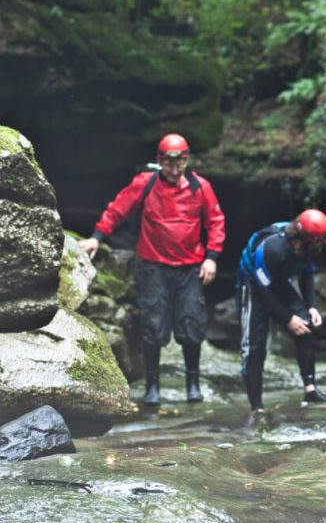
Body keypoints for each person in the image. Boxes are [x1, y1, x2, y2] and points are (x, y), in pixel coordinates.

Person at [78, 134, 225, 407]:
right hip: (153, 266)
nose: (173, 169)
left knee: (191, 323)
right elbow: (117, 209)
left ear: (186, 161)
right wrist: (97, 236)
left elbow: (216, 221)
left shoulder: (200, 187)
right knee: (154, 324)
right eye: (168, 164)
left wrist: (212, 257)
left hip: (190, 267)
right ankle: (153, 386)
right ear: (159, 161)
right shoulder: (144, 184)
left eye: (179, 163)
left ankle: (192, 384)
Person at [236, 209, 326, 411]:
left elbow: (307, 276)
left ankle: (310, 390)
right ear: (308, 239)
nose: (325, 244)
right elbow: (263, 291)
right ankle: (257, 408)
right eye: (323, 240)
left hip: (278, 282)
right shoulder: (275, 249)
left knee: (306, 326)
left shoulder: (309, 248)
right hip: (254, 286)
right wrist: (287, 318)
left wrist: (312, 307)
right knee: (254, 348)